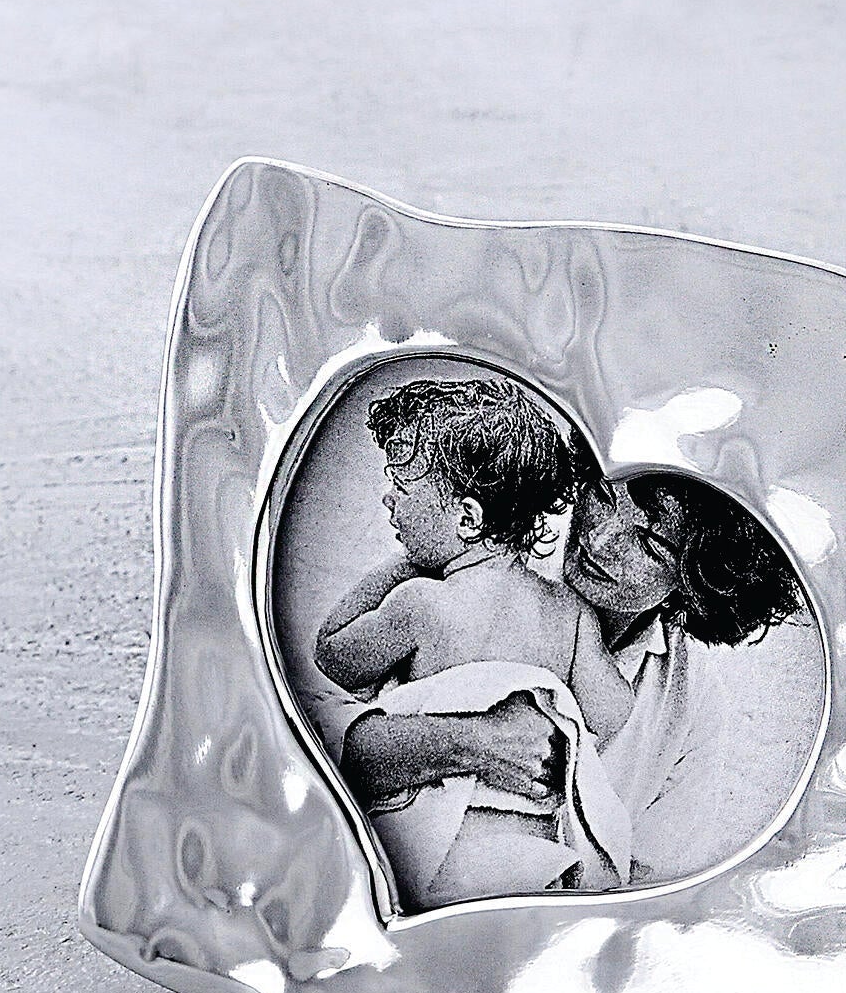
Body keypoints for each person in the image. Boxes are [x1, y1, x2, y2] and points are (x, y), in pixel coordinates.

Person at [338, 455, 803, 888]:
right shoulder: (467, 562)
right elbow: (319, 729)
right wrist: (473, 741)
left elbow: (652, 881)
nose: (599, 540)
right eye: (602, 496)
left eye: (649, 543)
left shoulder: (690, 701)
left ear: (695, 584)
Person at [313, 378, 634, 906]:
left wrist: (404, 565)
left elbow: (333, 655)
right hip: (535, 859)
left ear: (467, 518)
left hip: (438, 855)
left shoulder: (423, 603)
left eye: (402, 487)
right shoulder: (569, 613)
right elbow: (612, 714)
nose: (389, 500)